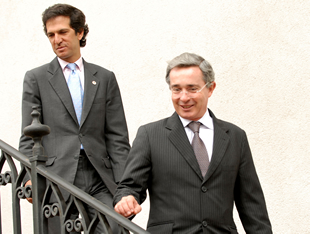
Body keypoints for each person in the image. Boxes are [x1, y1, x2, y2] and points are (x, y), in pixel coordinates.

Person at [114, 52, 272, 233]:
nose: (183, 97)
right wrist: (126, 199)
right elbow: (129, 187)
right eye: (176, 89)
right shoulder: (150, 135)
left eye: (192, 88)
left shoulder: (236, 137)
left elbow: (252, 204)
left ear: (210, 88)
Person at [19, 4, 130, 233]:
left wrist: (125, 186)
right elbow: (29, 136)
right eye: (51, 34)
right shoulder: (36, 78)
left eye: (63, 32)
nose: (56, 39)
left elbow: (117, 137)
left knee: (114, 229)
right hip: (55, 175)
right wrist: (30, 177)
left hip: (99, 173)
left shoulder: (105, 78)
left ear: (80, 32)